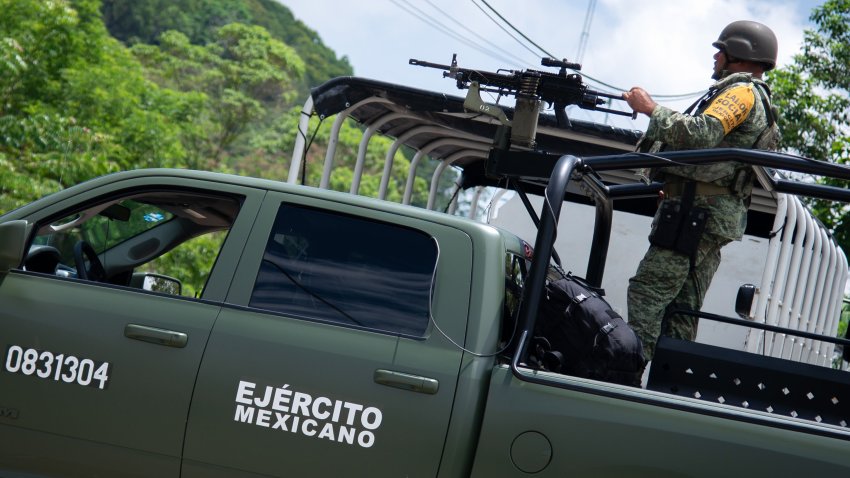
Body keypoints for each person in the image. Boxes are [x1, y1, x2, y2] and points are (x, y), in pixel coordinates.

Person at [622, 20, 781, 361]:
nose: (715, 57)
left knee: (647, 292)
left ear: (738, 53)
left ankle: (626, 377)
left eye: (720, 50)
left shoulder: (741, 92)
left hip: (697, 214)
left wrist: (651, 109)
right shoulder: (753, 95)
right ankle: (670, 387)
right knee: (682, 307)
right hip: (707, 214)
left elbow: (702, 133)